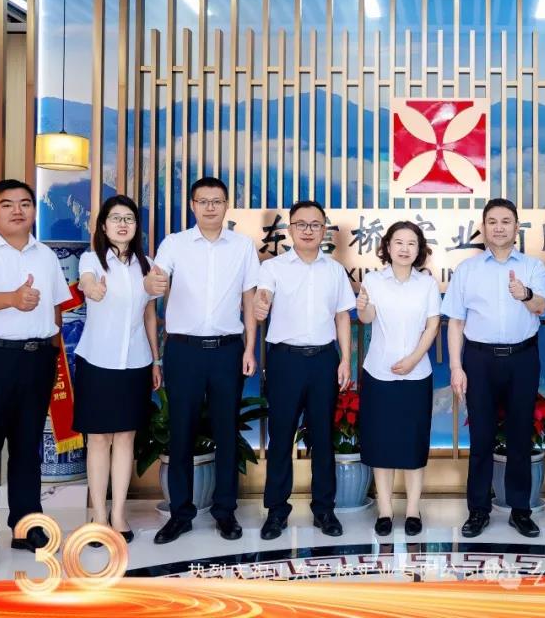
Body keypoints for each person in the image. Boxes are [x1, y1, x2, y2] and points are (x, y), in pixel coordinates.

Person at [0, 179, 72, 574]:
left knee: (27, 449)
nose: (18, 211)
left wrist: (52, 349)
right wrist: (12, 299)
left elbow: (56, 308)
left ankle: (26, 527)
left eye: (25, 203)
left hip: (37, 360)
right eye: (7, 204)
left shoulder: (46, 255)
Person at [145, 177, 260, 545]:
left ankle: (225, 512)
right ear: (192, 205)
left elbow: (250, 299)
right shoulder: (174, 244)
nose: (210, 207)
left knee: (226, 432)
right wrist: (151, 285)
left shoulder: (242, 246)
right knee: (181, 433)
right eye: (203, 201)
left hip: (227, 350)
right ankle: (180, 514)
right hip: (184, 351)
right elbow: (155, 284)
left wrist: (249, 348)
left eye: (217, 201)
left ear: (226, 206)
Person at [443, 198, 545, 539]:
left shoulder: (532, 267)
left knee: (520, 435)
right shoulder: (467, 270)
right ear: (483, 228)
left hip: (522, 358)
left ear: (517, 227)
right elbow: (455, 322)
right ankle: (478, 510)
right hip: (479, 360)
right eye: (492, 221)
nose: (499, 227)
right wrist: (456, 367)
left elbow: (541, 307)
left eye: (506, 221)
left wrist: (525, 294)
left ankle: (521, 510)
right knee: (481, 437)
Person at [255, 200, 356, 540]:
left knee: (323, 437)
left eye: (315, 225)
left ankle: (324, 510)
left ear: (324, 230)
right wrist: (260, 304)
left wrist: (345, 359)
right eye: (301, 224)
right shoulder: (273, 268)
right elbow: (263, 296)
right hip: (285, 361)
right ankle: (276, 511)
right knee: (281, 436)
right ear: (290, 229)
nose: (308, 230)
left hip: (324, 360)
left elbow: (343, 316)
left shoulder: (334, 270)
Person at [74, 195, 162, 543]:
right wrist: (91, 288)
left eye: (129, 218)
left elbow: (150, 315)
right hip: (98, 361)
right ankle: (98, 515)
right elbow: (86, 282)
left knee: (126, 437)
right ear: (103, 225)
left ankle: (119, 514)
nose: (123, 224)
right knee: (98, 438)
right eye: (115, 218)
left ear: (136, 226)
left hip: (136, 362)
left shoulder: (146, 264)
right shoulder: (92, 259)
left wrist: (155, 359)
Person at [356, 221, 441, 537]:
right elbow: (367, 318)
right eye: (399, 242)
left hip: (417, 374)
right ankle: (385, 511)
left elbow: (433, 325)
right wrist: (362, 307)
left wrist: (414, 358)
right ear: (388, 247)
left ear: (419, 249)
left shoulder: (427, 284)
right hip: (379, 373)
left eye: (411, 243)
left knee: (413, 444)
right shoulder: (373, 280)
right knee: (381, 444)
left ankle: (413, 510)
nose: (405, 248)